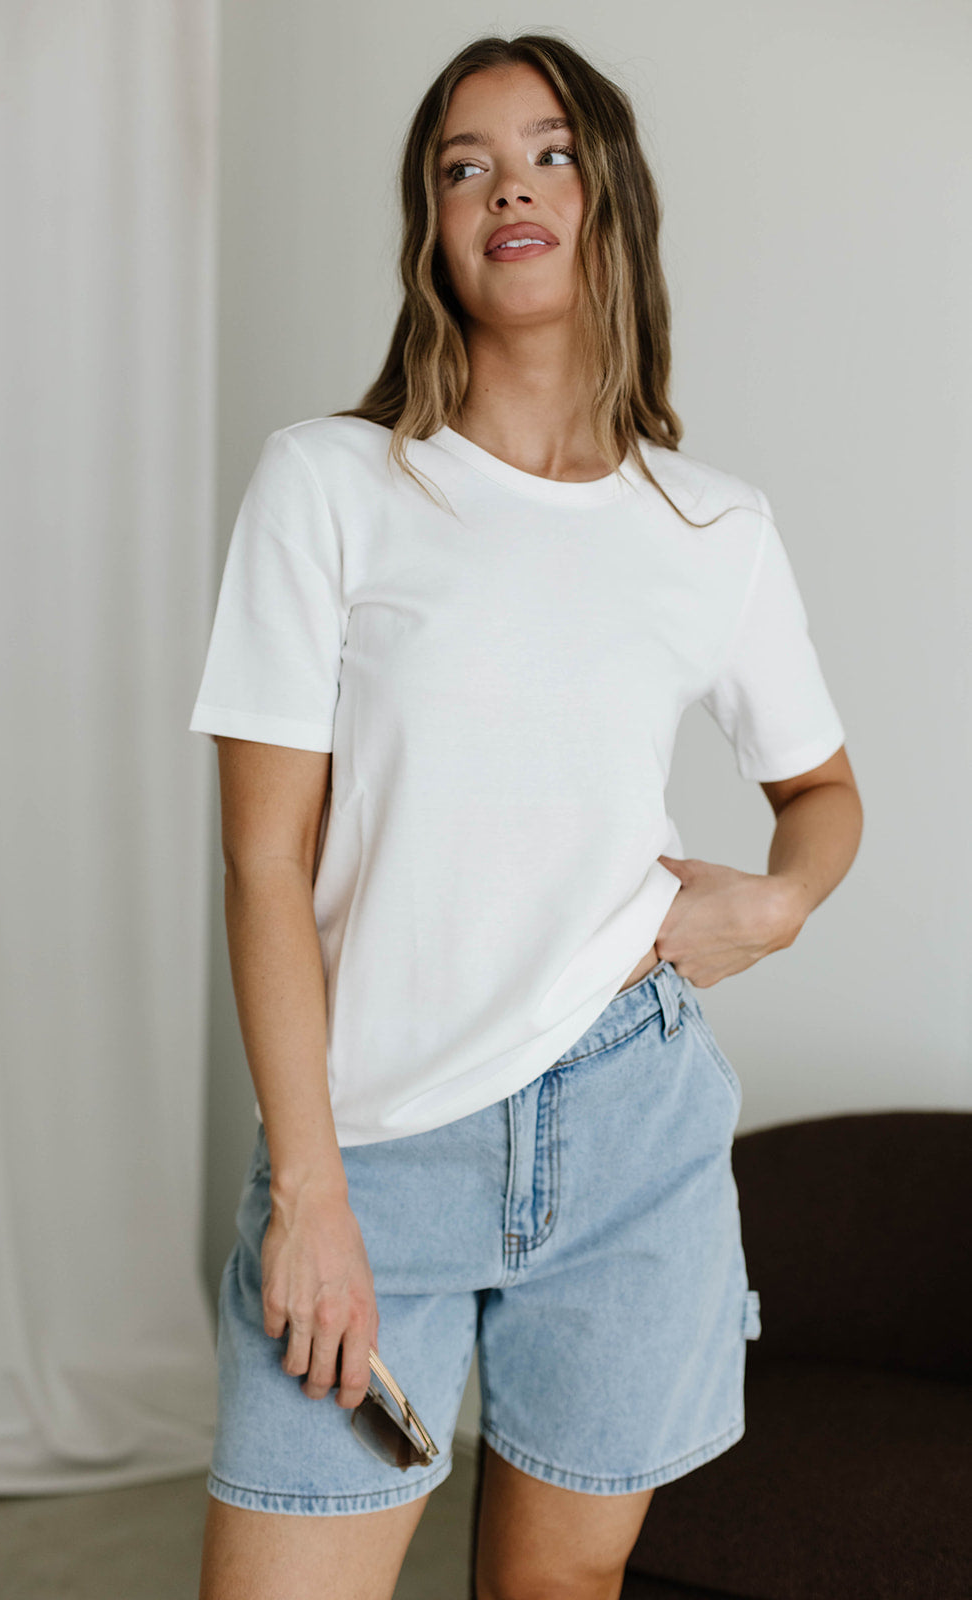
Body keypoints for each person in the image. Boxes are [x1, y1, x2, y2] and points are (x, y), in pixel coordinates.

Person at [190, 31, 862, 1600]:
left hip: (631, 1124)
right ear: (432, 227)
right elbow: (263, 860)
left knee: (560, 1588)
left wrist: (775, 904)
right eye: (465, 165)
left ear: (609, 197)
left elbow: (822, 792)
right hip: (376, 1147)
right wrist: (311, 1194)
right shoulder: (330, 484)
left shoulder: (711, 526)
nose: (510, 187)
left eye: (550, 152)